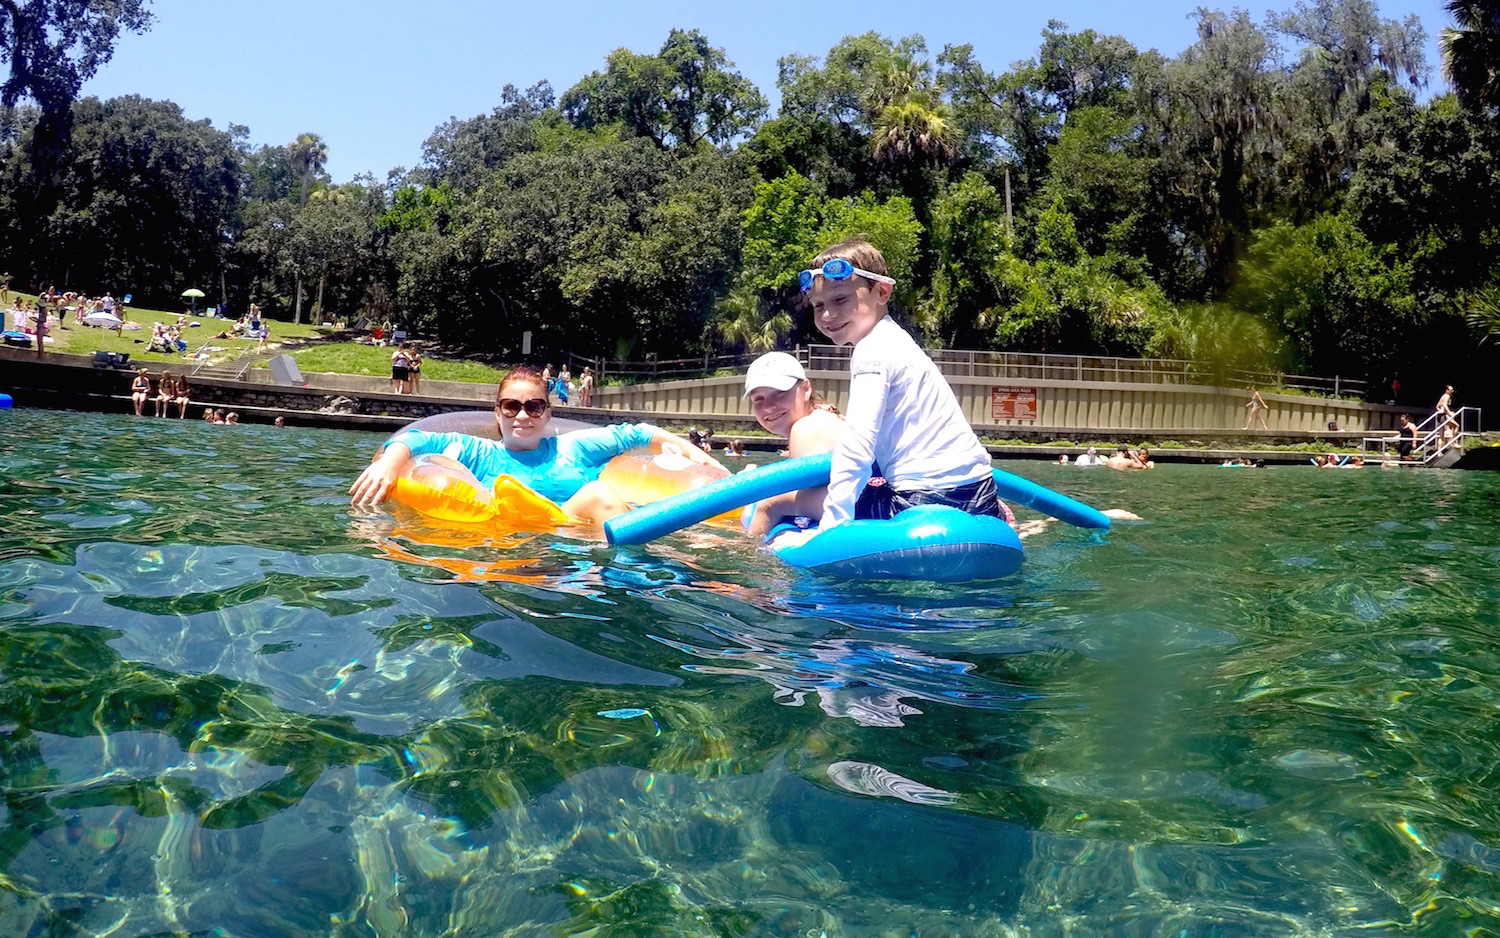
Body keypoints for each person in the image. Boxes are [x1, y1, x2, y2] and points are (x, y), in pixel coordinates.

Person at [795, 239, 1001, 530]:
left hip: (921, 502)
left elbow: (856, 447)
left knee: (779, 501)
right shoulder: (899, 341)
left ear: (881, 291)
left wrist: (833, 525)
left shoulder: (871, 352)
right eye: (818, 305)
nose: (827, 315)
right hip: (980, 495)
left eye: (840, 299)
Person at [349, 366, 723, 525]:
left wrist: (701, 458)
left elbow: (638, 432)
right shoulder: (477, 452)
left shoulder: (572, 449)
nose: (522, 415)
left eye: (534, 406)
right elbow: (417, 438)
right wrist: (388, 462)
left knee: (597, 494)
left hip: (578, 545)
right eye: (511, 406)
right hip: (508, 547)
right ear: (497, 413)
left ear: (548, 414)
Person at [740, 351, 849, 537]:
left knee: (767, 504)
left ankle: (741, 554)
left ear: (806, 389)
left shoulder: (805, 427)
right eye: (759, 399)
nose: (769, 406)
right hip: (877, 496)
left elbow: (804, 494)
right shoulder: (824, 418)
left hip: (870, 503)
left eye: (780, 393)